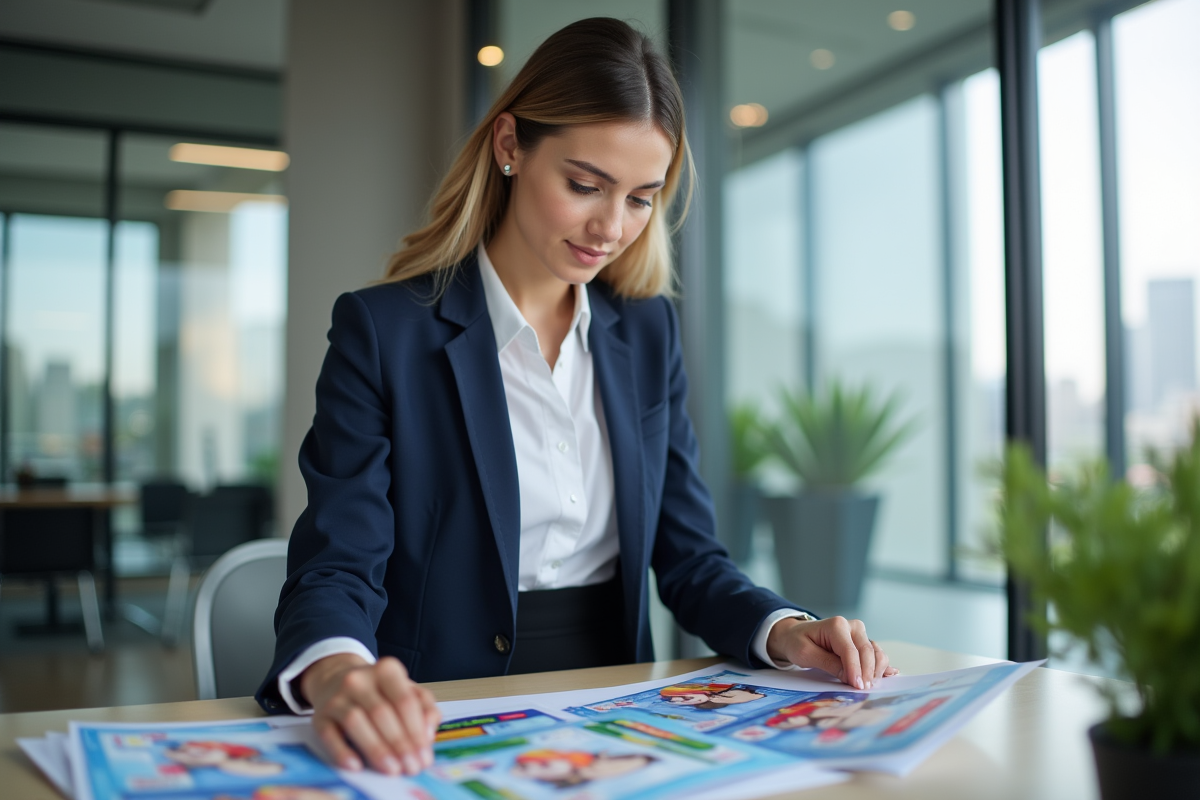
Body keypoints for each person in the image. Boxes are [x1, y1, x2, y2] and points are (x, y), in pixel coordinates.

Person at [255, 16, 896, 782]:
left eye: (641, 199)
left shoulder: (649, 333)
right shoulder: (385, 332)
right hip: (438, 713)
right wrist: (338, 675)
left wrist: (786, 629)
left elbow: (690, 559)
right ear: (509, 147)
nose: (611, 227)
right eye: (585, 186)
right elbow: (339, 563)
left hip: (619, 716)